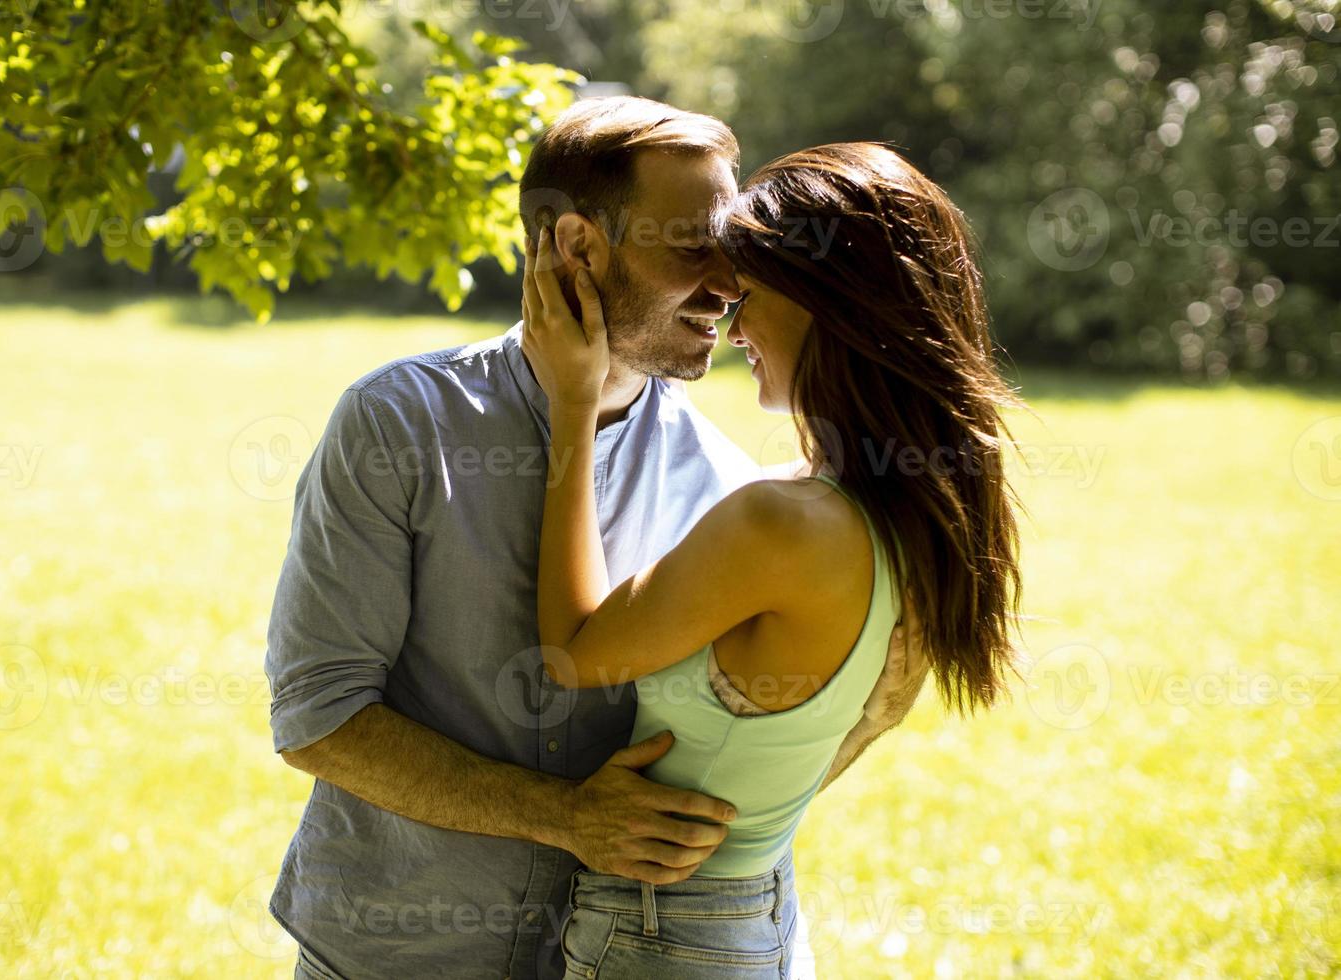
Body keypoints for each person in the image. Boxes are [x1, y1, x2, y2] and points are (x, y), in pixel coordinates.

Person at [263, 98, 928, 980]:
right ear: (577, 247)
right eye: (694, 247)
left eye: (732, 251)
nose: (730, 286)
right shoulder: (397, 425)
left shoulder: (731, 487)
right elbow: (320, 718)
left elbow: (852, 701)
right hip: (390, 955)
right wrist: (563, 815)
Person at [518, 140, 1025, 978]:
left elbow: (572, 649)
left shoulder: (781, 524)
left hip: (666, 933)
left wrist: (573, 403)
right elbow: (869, 715)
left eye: (751, 296)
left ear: (832, 302)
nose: (735, 324)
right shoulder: (924, 517)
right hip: (760, 908)